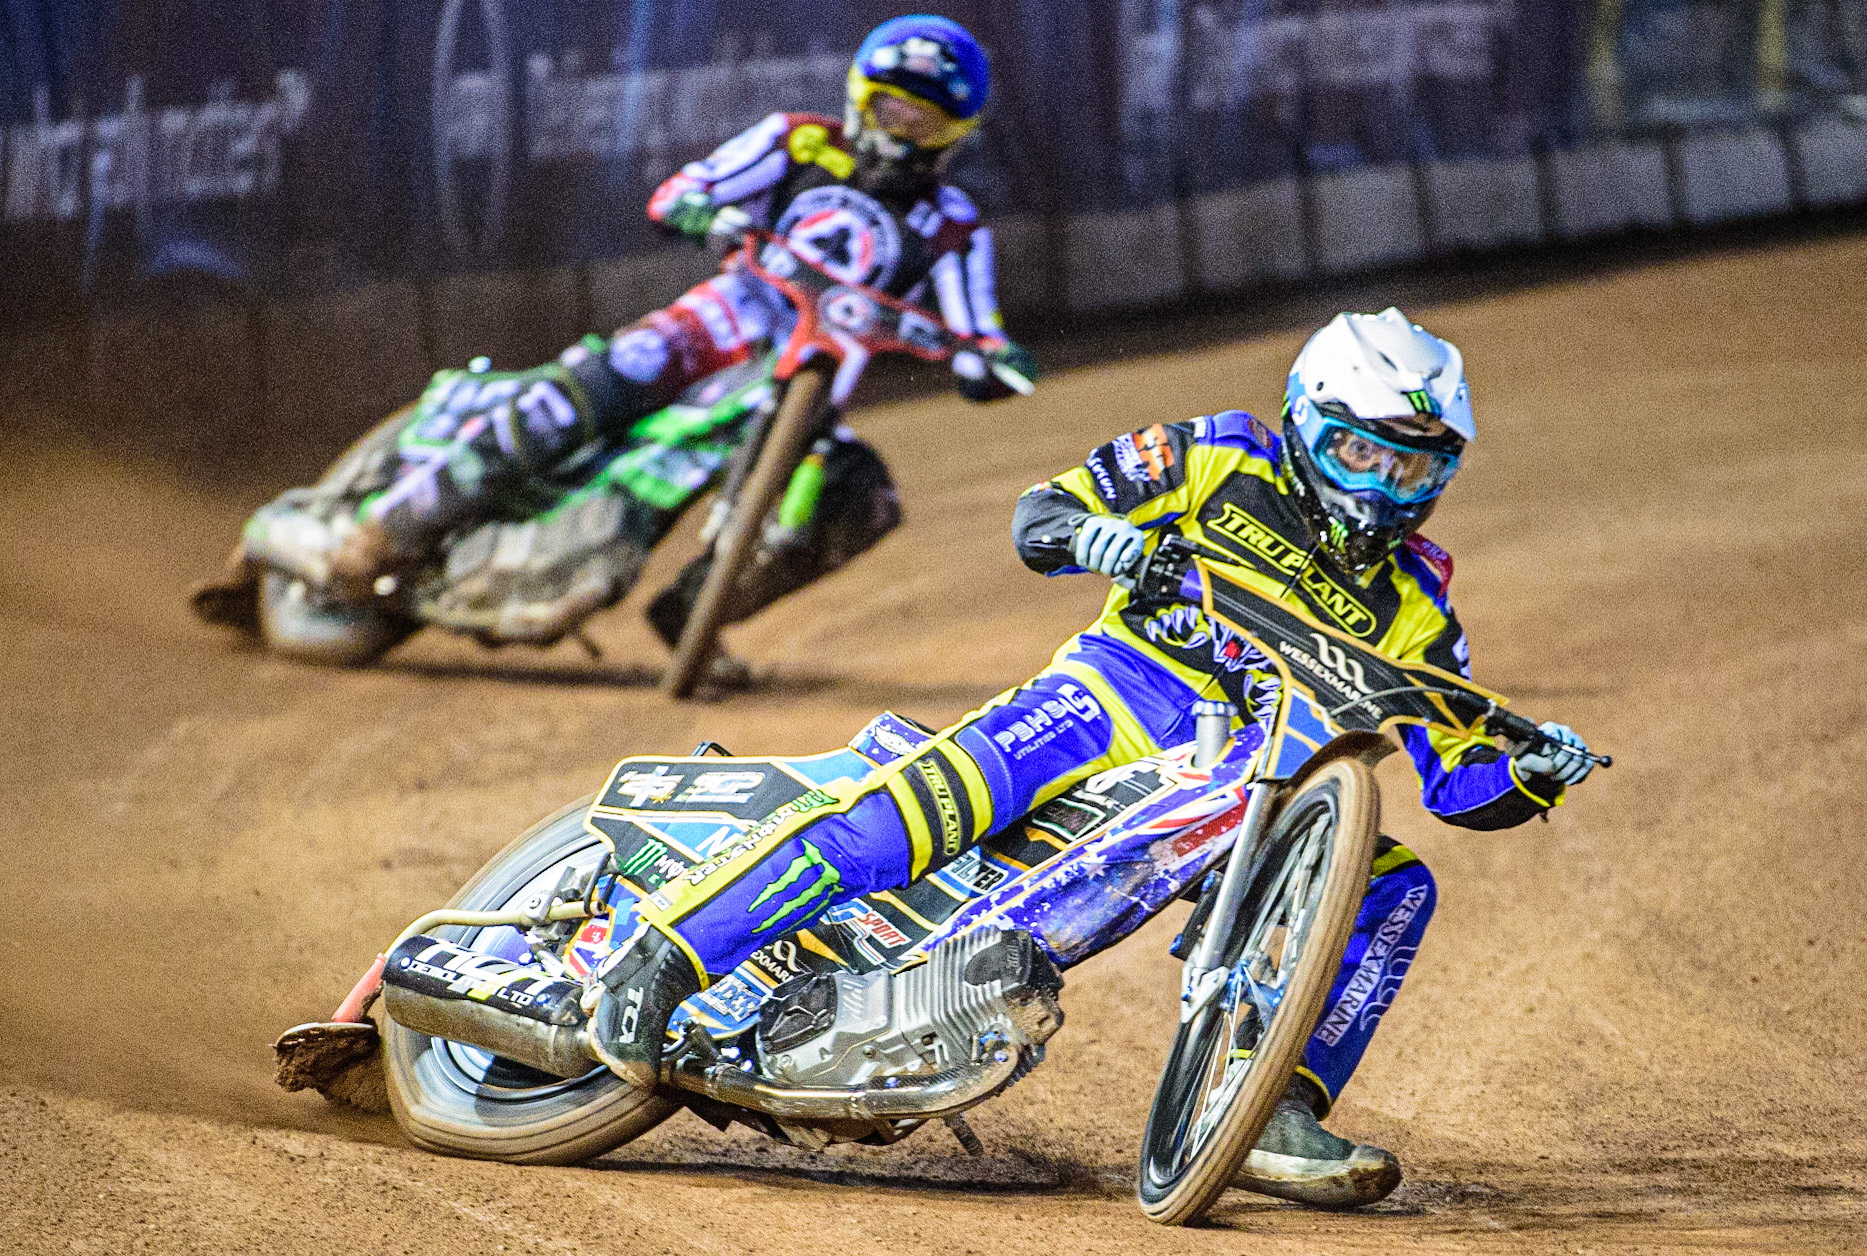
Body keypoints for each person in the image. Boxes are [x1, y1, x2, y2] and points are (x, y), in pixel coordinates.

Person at [587, 308, 1597, 1207]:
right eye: (1359, 453)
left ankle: (1271, 1106)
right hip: (1112, 696)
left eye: (1412, 468)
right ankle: (662, 955)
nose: (1381, 489)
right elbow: (1043, 515)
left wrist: (1532, 770)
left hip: (1258, 790)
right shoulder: (1219, 453)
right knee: (910, 818)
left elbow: (1456, 779)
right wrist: (1105, 541)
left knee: (1396, 886)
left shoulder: (1420, 596)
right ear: (1304, 420)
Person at [325, 15, 1036, 662]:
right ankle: (392, 524)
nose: (904, 129)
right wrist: (703, 211)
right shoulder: (799, 140)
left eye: (926, 118)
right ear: (862, 95)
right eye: (893, 107)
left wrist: (993, 362)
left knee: (861, 494)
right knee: (593, 388)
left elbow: (981, 331)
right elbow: (685, 189)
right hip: (719, 323)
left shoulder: (954, 223)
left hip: (811, 389)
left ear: (954, 132)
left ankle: (692, 611)